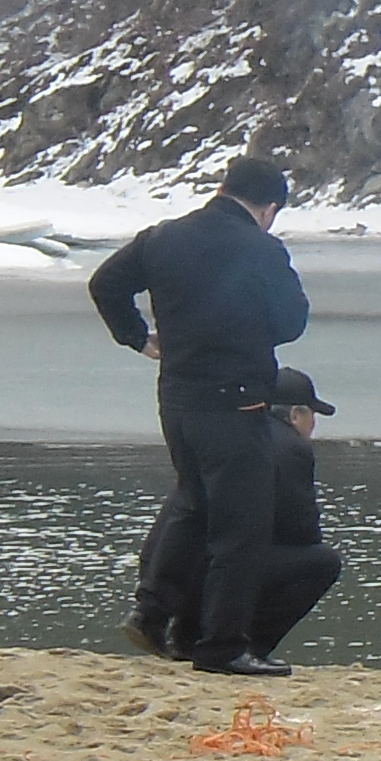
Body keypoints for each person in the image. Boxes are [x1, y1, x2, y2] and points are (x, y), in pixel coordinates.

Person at [88, 153, 312, 675]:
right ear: (269, 208)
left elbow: (105, 284)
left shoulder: (163, 236)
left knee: (193, 503)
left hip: (177, 398)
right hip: (235, 403)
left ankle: (151, 613)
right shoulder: (261, 247)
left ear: (223, 188)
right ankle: (222, 646)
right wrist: (244, 325)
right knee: (242, 528)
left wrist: (138, 337)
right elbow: (291, 322)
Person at [132, 362, 342, 663]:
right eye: (312, 415)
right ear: (296, 414)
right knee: (321, 562)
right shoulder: (290, 447)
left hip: (160, 576)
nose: (313, 425)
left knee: (228, 540)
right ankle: (245, 648)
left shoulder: (223, 435)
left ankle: (189, 637)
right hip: (212, 578)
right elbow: (303, 531)